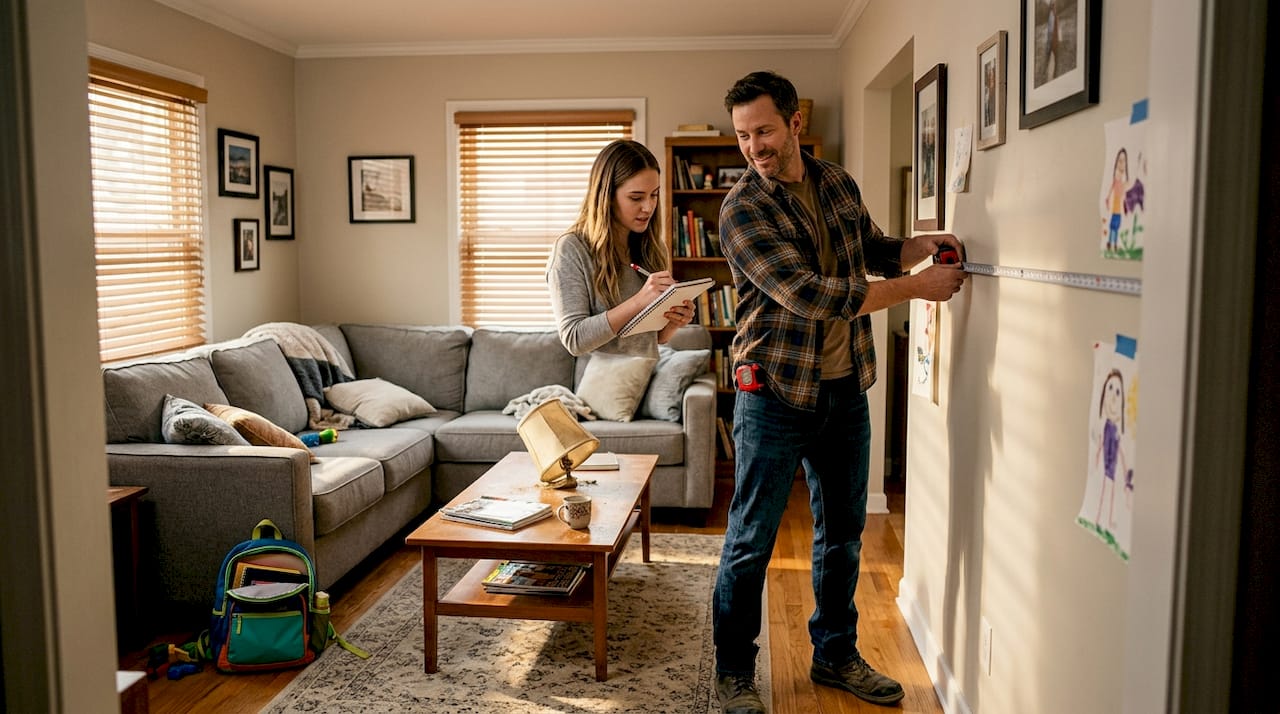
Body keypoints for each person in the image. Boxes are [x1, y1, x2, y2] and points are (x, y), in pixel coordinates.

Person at [712, 71, 968, 713]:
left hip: (846, 389)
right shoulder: (742, 208)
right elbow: (810, 295)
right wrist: (915, 290)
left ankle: (835, 655)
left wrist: (919, 247)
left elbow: (870, 250)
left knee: (844, 532)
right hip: (772, 393)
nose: (753, 146)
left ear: (796, 123)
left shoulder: (838, 182)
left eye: (764, 130)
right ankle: (735, 671)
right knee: (751, 539)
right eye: (743, 136)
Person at [546, 139, 695, 364]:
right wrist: (640, 301)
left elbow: (650, 339)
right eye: (636, 198)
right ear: (606, 196)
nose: (648, 207)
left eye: (654, 195)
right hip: (598, 389)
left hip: (639, 382)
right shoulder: (571, 248)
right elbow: (574, 339)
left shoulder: (653, 248)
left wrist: (673, 323)